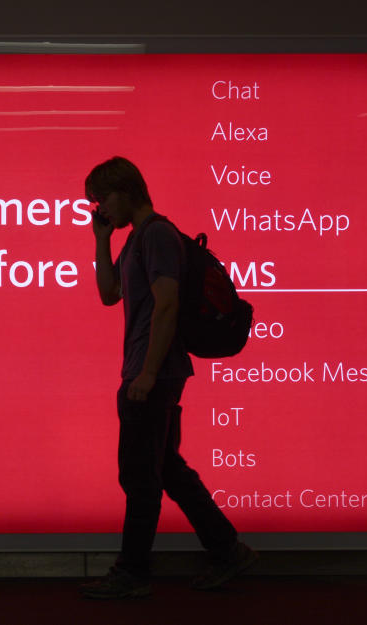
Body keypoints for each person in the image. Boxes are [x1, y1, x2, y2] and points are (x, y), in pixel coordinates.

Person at [79, 156, 257, 600]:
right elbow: (108, 295)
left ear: (123, 190)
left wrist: (148, 373)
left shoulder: (156, 234)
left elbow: (168, 304)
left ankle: (133, 571)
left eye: (102, 201)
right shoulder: (138, 239)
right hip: (147, 370)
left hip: (151, 372)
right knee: (166, 470)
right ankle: (227, 548)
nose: (101, 210)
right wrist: (101, 241)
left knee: (139, 476)